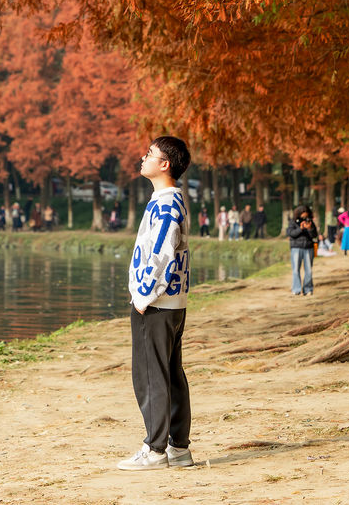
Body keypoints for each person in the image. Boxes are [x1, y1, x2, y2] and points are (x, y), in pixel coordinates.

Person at [118, 136, 194, 471]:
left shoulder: (166, 204)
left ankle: (155, 450)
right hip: (172, 302)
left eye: (150, 154)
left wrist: (143, 296)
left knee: (151, 375)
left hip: (157, 303)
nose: (144, 157)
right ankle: (178, 448)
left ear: (165, 164)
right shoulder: (168, 200)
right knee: (170, 373)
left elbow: (161, 253)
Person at [286, 204, 318, 295]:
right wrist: (300, 228)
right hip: (296, 247)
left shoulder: (310, 222)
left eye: (306, 215)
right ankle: (296, 289)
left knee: (309, 270)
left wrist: (310, 228)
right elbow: (291, 234)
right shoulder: (293, 222)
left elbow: (314, 235)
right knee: (296, 269)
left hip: (308, 247)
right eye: (303, 214)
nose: (304, 217)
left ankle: (308, 289)